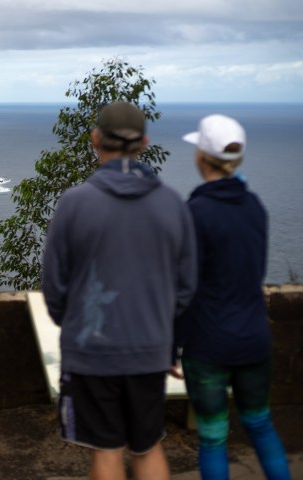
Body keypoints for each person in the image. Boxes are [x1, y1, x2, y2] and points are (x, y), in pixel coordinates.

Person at [41, 101, 197, 480]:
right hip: (149, 351)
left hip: (92, 352)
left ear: (95, 139)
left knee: (107, 451)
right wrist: (162, 334)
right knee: (147, 446)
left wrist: (77, 323)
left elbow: (55, 286)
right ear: (143, 142)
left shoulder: (75, 203)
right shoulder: (172, 204)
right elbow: (186, 287)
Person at [174, 114, 291, 479]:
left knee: (212, 438)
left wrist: (169, 345)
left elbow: (183, 288)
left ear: (201, 157)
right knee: (260, 424)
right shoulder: (255, 206)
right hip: (254, 338)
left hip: (208, 344)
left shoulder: (195, 212)